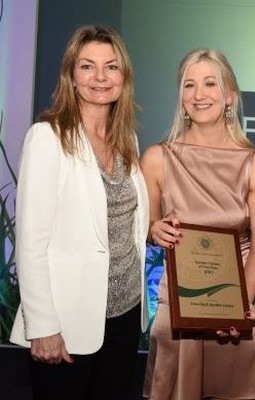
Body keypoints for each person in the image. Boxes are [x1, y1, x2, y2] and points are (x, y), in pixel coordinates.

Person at [9, 25, 149, 399]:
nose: (100, 77)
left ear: (124, 76)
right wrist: (42, 326)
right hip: (67, 322)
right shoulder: (47, 138)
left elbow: (125, 222)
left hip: (125, 317)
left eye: (111, 66)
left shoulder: (127, 140)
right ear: (71, 76)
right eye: (87, 66)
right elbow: (31, 243)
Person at [141, 48, 255, 399]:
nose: (199, 94)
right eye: (189, 85)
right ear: (180, 96)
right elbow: (146, 227)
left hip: (239, 310)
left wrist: (237, 308)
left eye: (210, 84)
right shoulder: (156, 159)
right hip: (177, 310)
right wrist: (154, 230)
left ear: (229, 95)